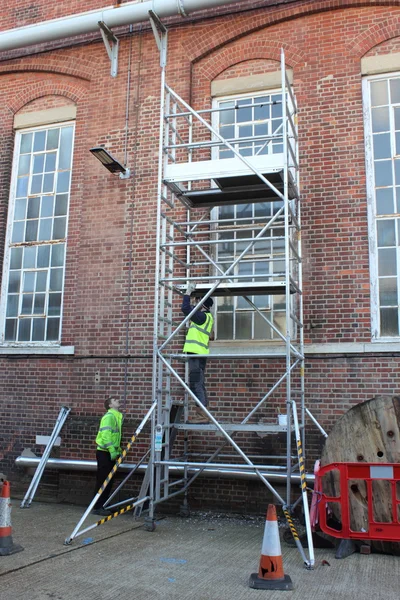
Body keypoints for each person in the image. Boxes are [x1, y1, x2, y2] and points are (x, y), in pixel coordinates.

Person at [181, 283, 214, 423]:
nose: (196, 303)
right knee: (199, 383)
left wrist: (187, 294)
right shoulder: (207, 317)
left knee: (196, 383)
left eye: (199, 301)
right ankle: (203, 413)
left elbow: (185, 308)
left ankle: (202, 416)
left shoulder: (202, 318)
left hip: (196, 353)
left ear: (203, 303)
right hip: (199, 354)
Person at [92, 396, 123, 516]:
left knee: (109, 480)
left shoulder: (116, 417)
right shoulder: (109, 417)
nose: (118, 400)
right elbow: (105, 435)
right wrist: (112, 450)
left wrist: (117, 450)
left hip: (110, 452)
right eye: (114, 400)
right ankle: (98, 506)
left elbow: (115, 437)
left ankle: (103, 504)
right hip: (105, 453)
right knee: (103, 480)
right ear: (110, 405)